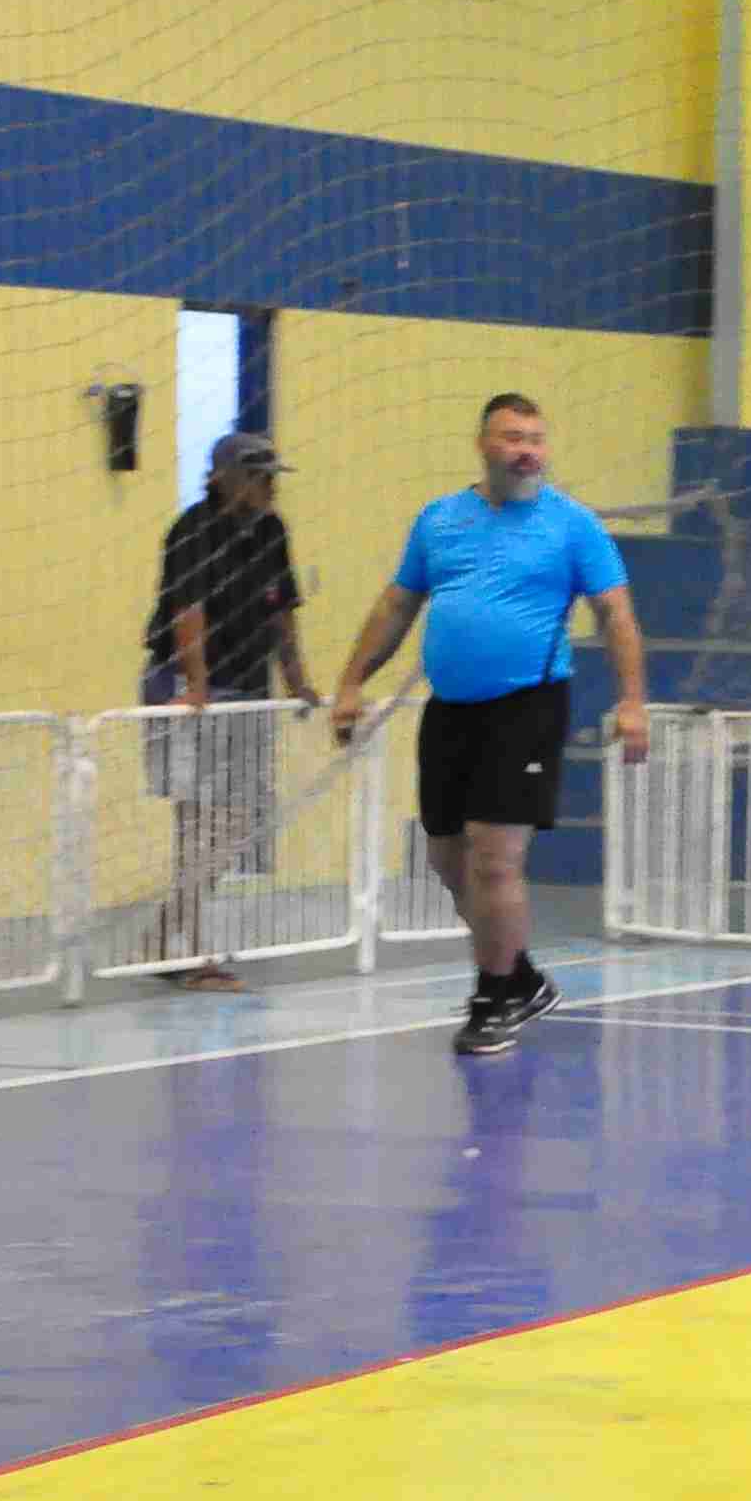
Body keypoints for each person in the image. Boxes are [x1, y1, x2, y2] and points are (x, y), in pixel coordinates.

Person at [329, 393, 653, 1058]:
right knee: (446, 854)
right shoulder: (440, 519)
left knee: (496, 858)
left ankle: (492, 997)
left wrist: (632, 701)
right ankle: (522, 976)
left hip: (526, 706)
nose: (527, 449)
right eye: (512, 437)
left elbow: (615, 614)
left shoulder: (573, 525)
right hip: (451, 708)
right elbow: (397, 603)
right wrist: (351, 682)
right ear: (483, 445)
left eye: (536, 437)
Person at [136, 431, 318, 992]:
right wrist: (197, 687)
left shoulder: (272, 531)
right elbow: (187, 611)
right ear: (223, 478)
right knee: (198, 822)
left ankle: (161, 937)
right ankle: (188, 954)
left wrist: (299, 683)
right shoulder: (192, 530)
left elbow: (282, 612)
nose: (267, 488)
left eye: (271, 478)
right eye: (257, 477)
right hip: (188, 684)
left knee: (238, 820)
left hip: (246, 689)